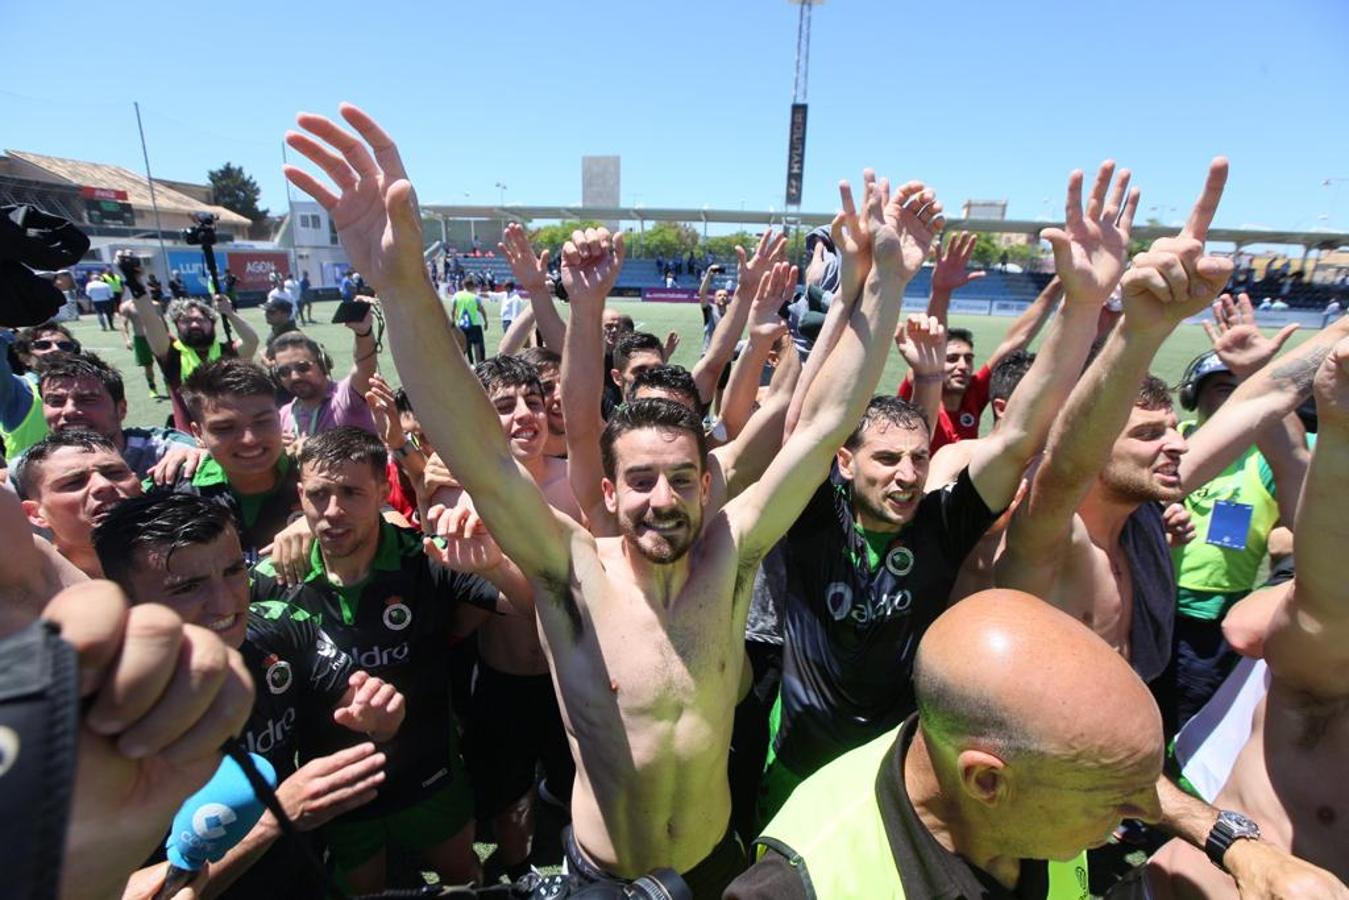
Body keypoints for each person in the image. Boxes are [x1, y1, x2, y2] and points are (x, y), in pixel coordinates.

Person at [282, 101, 943, 895]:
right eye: (639, 480)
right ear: (607, 490)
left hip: (709, 866)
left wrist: (891, 280)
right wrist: (400, 285)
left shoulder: (733, 555)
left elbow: (822, 423)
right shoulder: (573, 570)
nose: (661, 499)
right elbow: (482, 456)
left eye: (681, 479)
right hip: (599, 874)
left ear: (709, 484)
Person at [757, 161, 1136, 821]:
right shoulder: (812, 517)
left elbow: (1018, 434)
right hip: (793, 762)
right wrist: (886, 281)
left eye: (915, 458)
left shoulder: (939, 523)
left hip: (896, 768)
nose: (906, 474)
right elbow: (813, 422)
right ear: (843, 463)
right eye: (884, 459)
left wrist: (1082, 307)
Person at [996, 159, 1347, 694]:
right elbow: (1066, 466)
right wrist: (1139, 331)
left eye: (1172, 428)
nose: (1177, 442)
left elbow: (1266, 397)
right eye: (1147, 434)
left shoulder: (1141, 509)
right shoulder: (1049, 533)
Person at [728, 589, 1164, 899]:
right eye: (1115, 800)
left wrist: (1222, 835)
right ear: (987, 782)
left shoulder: (1039, 774)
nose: (1151, 813)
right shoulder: (804, 886)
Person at [250, 426, 527, 893]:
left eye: (351, 493)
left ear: (382, 490)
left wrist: (497, 563)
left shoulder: (424, 559)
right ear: (301, 495)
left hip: (429, 772)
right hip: (341, 789)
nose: (333, 511)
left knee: (462, 881)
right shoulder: (273, 577)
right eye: (319, 495)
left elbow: (532, 605)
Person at [93, 491, 405, 900]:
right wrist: (276, 817)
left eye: (234, 569)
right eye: (188, 587)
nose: (225, 603)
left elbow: (372, 718)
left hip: (300, 875)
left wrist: (381, 716)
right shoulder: (94, 721)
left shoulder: (279, 625)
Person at [1145, 335, 1349, 894]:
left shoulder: (1257, 465)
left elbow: (1292, 468)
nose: (1220, 399)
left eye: (1228, 390)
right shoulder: (1175, 454)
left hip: (1214, 623)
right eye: (1212, 390)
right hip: (1169, 614)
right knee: (1147, 732)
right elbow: (1309, 599)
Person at [1164, 294, 1305, 731]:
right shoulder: (1170, 441)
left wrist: (1257, 377)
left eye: (1241, 392)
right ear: (1194, 395)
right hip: (1154, 602)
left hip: (1219, 618)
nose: (1233, 401)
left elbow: (1296, 459)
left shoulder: (1262, 457)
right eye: (1223, 388)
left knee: (1193, 720)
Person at [896, 238, 1062, 451]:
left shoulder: (973, 390)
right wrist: (941, 291)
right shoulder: (918, 386)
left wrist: (1059, 281)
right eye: (952, 359)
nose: (963, 366)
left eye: (968, 359)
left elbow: (1016, 340)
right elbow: (931, 346)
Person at [169, 359, 300, 561]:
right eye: (224, 428)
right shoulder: (172, 487)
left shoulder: (317, 478)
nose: (250, 439)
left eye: (263, 422)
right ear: (198, 434)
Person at [20, 351, 203, 479]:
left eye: (88, 400)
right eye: (56, 401)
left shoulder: (163, 451)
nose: (69, 411)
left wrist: (198, 453)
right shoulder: (29, 468)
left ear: (121, 409)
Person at [13, 429, 143, 576]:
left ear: (138, 483)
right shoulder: (31, 591)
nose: (103, 485)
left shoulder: (173, 560)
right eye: (75, 482)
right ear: (35, 514)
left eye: (115, 473)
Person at [130, 293, 260, 432]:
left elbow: (251, 340)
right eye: (186, 321)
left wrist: (229, 313)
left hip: (230, 432)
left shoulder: (228, 351)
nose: (194, 325)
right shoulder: (171, 353)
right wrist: (137, 287)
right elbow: (150, 321)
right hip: (190, 441)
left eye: (201, 320)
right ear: (177, 325)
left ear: (212, 323)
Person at [273, 305, 379, 441]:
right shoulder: (284, 415)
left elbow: (364, 367)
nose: (295, 376)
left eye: (303, 367)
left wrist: (363, 333)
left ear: (323, 363)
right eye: (284, 371)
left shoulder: (347, 396)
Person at [0, 323, 81, 458]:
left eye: (65, 346)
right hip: (30, 477)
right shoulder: (19, 390)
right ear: (25, 358)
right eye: (43, 345)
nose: (55, 349)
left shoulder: (90, 386)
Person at [119, 293, 166, 399]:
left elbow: (163, 322)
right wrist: (127, 339)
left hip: (156, 336)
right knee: (148, 366)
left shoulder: (155, 304)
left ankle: (168, 386)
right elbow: (123, 324)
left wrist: (167, 336)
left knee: (164, 363)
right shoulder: (127, 306)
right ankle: (152, 387)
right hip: (141, 339)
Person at [451, 275, 488, 363]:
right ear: (472, 286)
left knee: (462, 347)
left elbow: (453, 310)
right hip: (475, 325)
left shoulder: (457, 295)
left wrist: (453, 321)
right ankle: (479, 367)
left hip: (461, 325)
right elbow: (482, 310)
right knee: (477, 347)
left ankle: (460, 366)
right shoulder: (475, 297)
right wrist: (486, 321)